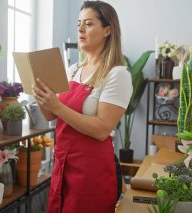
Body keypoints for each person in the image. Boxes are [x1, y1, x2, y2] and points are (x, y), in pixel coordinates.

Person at [32, 1, 133, 212]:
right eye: (79, 23)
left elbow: (101, 129)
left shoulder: (117, 75)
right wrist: (41, 96)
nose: (80, 29)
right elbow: (51, 114)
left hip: (91, 172)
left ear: (107, 30)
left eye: (88, 24)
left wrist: (57, 106)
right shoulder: (72, 71)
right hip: (63, 166)